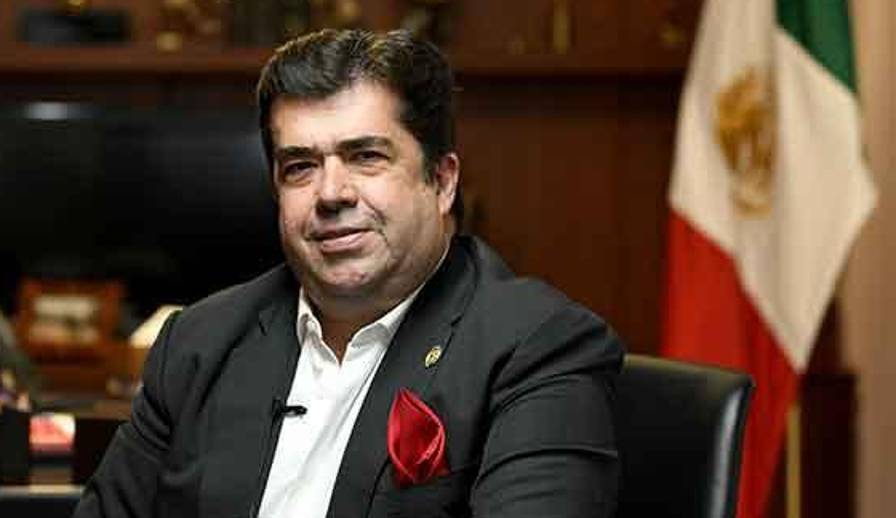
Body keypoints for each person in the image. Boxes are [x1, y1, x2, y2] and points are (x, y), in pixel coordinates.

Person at [73, 29, 623, 518]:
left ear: (442, 181)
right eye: (300, 167)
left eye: (366, 157)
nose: (331, 193)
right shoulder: (198, 343)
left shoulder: (537, 347)